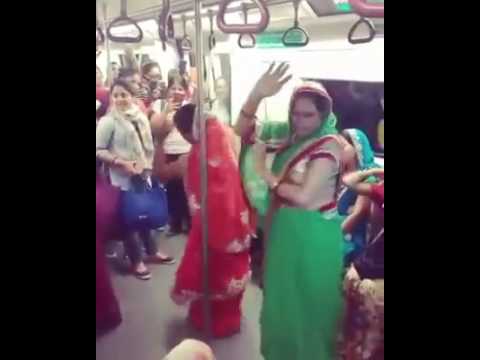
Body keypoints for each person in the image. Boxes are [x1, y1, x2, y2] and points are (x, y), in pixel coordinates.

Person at [235, 63, 344, 360]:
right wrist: (256, 95)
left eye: (308, 115)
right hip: (283, 233)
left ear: (323, 114)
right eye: (295, 113)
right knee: (283, 303)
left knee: (311, 306)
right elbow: (240, 134)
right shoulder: (289, 136)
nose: (300, 121)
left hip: (312, 237)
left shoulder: (330, 144)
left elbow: (307, 197)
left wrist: (264, 173)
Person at [170, 104, 254, 338]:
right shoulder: (221, 135)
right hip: (237, 218)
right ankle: (227, 318)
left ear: (189, 131)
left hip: (217, 223)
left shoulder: (204, 149)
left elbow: (213, 193)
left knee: (213, 271)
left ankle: (212, 321)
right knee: (227, 271)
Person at [96, 79, 174, 281]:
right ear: (112, 98)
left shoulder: (139, 116)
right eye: (116, 95)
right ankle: (136, 260)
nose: (120, 99)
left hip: (144, 173)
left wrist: (148, 165)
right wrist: (121, 162)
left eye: (124, 94)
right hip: (122, 178)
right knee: (129, 219)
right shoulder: (108, 121)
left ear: (131, 96)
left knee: (144, 213)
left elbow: (147, 143)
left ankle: (151, 250)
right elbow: (98, 150)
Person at [151, 76, 192, 236]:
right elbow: (155, 128)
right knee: (171, 190)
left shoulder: (189, 107)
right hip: (167, 151)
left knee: (187, 189)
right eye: (173, 88)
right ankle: (175, 223)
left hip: (186, 149)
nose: (176, 92)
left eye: (180, 89)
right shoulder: (159, 105)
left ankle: (189, 222)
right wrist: (167, 110)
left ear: (186, 91)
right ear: (168, 90)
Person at [338, 129, 381, 265]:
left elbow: (358, 214)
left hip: (350, 237)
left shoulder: (369, 180)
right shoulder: (339, 174)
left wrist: (329, 237)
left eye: (344, 147)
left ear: (356, 150)